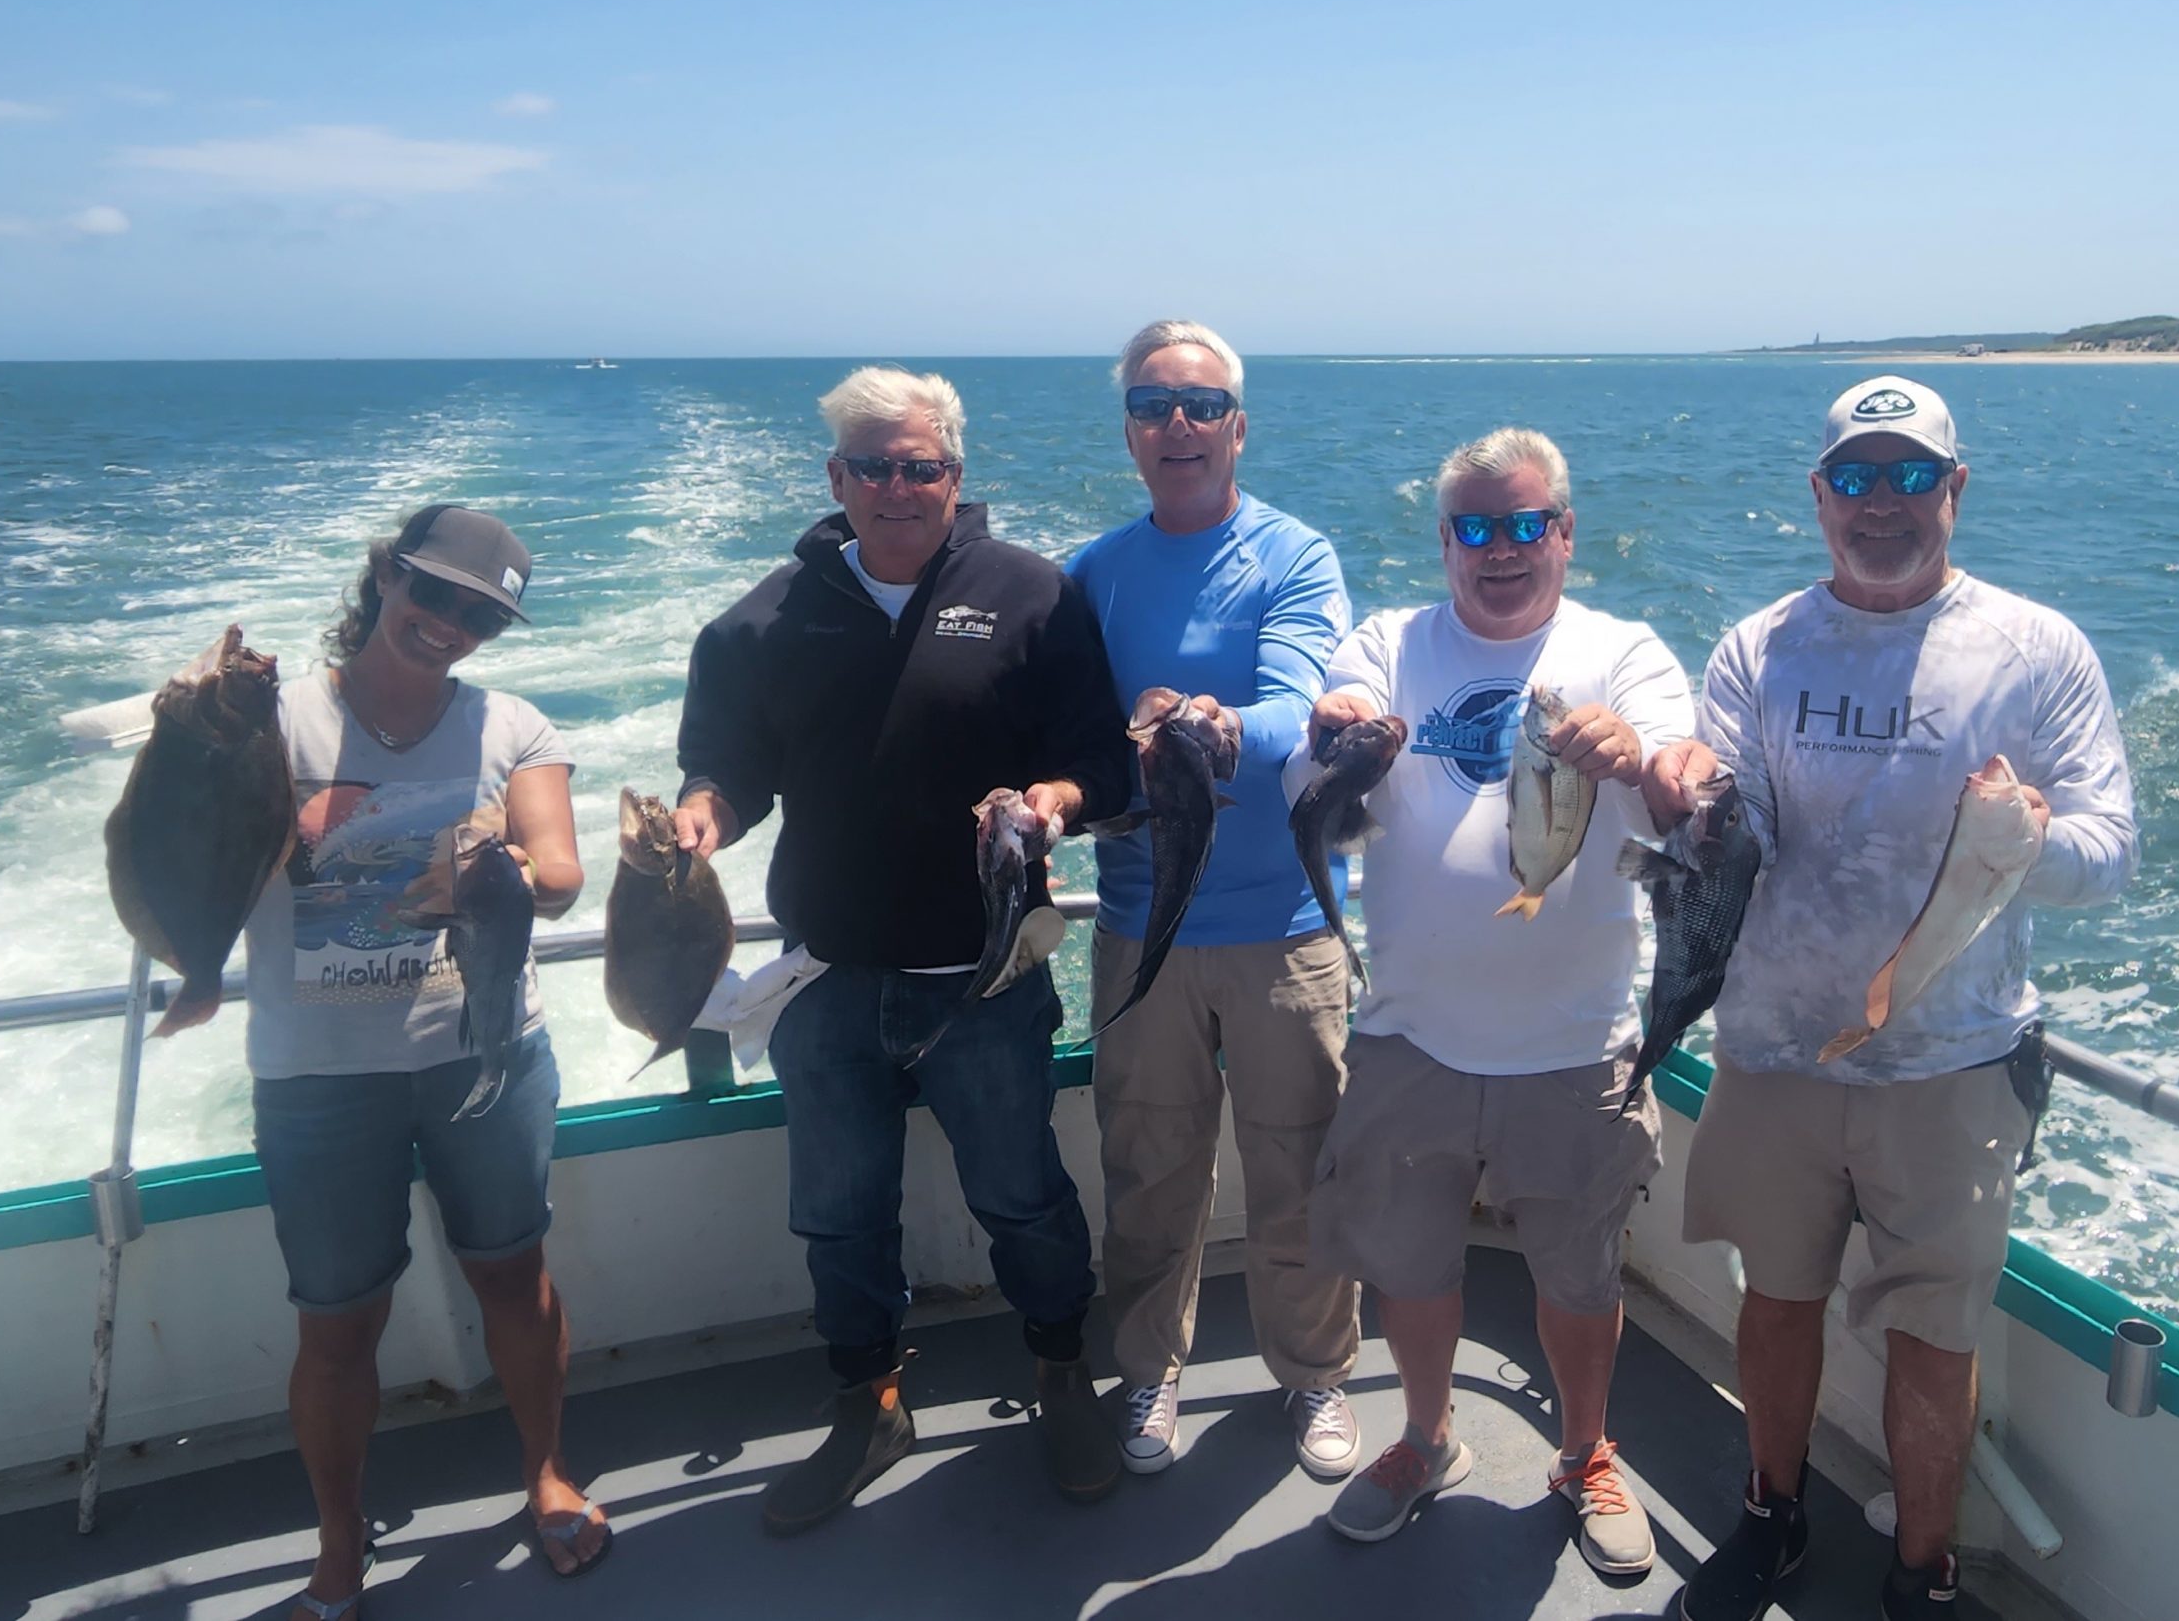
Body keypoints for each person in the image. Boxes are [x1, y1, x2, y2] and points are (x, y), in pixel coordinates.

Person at [1646, 376, 2137, 1621]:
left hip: (1952, 1059)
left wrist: (2026, 843)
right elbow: (1736, 826)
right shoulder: (1758, 646)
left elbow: (2110, 854)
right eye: (1855, 477)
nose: (1881, 502)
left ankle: (1926, 1571)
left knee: (1934, 1335)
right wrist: (1687, 796)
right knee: (1777, 1295)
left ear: (1954, 490)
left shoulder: (2037, 649)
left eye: (1909, 474)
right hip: (1772, 1045)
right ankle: (1773, 1510)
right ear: (1818, 496)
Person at [671, 366, 1135, 1532]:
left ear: (954, 476)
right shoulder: (761, 622)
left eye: (918, 464)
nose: (895, 485)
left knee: (1021, 1196)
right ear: (835, 479)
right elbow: (727, 772)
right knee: (837, 1211)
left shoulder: (1033, 595)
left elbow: (1107, 762)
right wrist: (699, 819)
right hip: (827, 979)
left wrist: (1055, 799)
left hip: (983, 974)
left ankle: (1060, 1372)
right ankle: (869, 1400)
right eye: (870, 466)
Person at [1295, 428, 1690, 1576]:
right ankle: (1426, 1439)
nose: (1501, 550)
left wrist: (1638, 754)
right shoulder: (1392, 639)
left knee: (1580, 1274)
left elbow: (1680, 784)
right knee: (1409, 1265)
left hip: (1576, 1048)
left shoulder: (1622, 652)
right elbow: (1342, 704)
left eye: (1526, 525)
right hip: (1411, 1034)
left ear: (1565, 533)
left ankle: (1583, 1451)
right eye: (1475, 527)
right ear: (1445, 541)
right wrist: (1344, 714)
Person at [243, 504, 601, 1621]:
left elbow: (561, 870)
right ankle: (339, 1539)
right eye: (433, 593)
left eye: (479, 613)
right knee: (338, 1317)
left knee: (512, 1272)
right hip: (316, 1074)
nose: (448, 623)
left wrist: (511, 872)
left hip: (482, 1045)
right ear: (387, 574)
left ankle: (543, 1470)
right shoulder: (274, 725)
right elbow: (194, 840)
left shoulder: (511, 726)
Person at [1067, 319, 1362, 1480]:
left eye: (1199, 405)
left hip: (1287, 930)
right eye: (1152, 404)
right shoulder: (1090, 574)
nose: (1176, 425)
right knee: (1150, 1171)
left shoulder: (1295, 556)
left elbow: (1310, 705)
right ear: (1129, 432)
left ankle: (1318, 1374)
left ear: (1237, 426)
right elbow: (1069, 741)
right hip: (1143, 927)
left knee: (1303, 1167)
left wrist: (1220, 726)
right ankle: (1149, 1366)